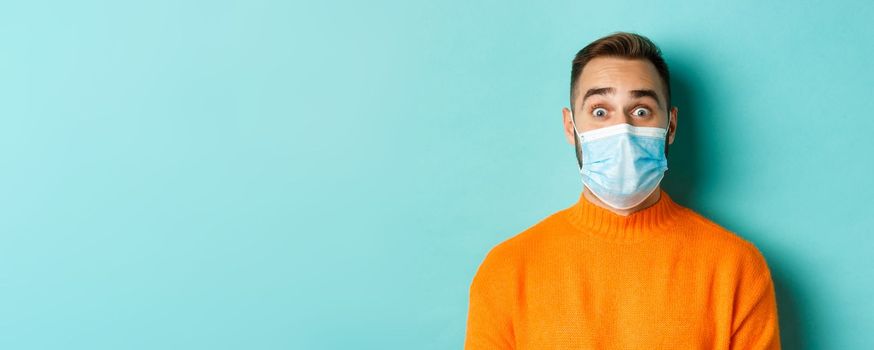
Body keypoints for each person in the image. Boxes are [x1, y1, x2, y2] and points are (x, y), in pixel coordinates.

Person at [463, 32, 781, 349]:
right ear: (570, 127)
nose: (623, 130)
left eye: (641, 110)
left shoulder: (736, 268)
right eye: (600, 111)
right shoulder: (506, 271)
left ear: (670, 126)